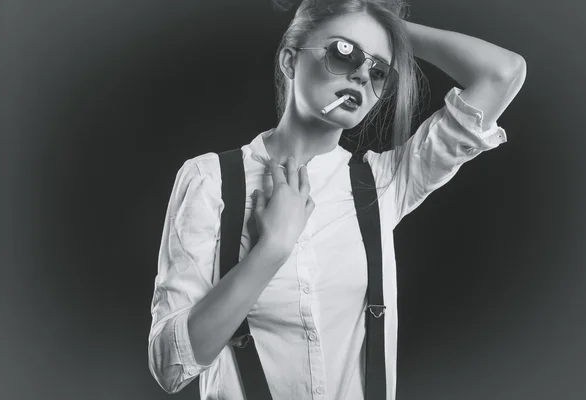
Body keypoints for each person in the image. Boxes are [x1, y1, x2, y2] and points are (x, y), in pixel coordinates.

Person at [147, 0, 527, 399]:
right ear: (290, 62)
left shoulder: (383, 183)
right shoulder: (210, 181)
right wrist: (271, 250)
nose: (363, 74)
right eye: (343, 53)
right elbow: (170, 365)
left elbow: (503, 73)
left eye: (379, 70)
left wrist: (387, 28)